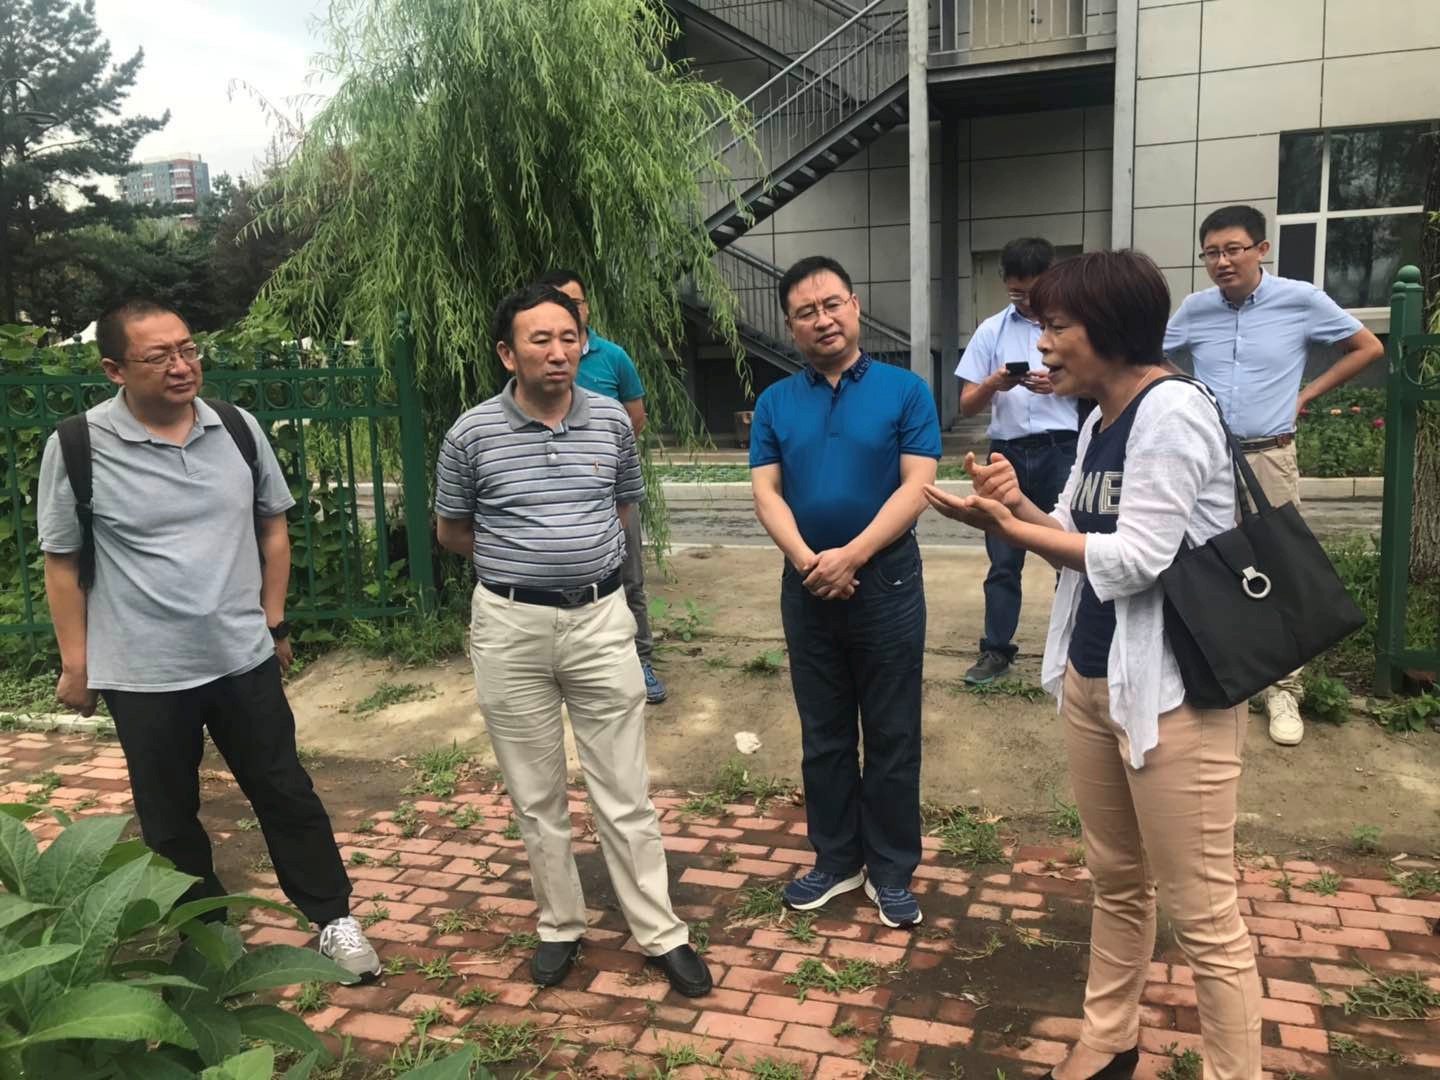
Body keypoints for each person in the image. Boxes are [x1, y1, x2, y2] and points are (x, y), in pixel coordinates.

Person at [925, 251, 1262, 1080]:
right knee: (1116, 879)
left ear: (1109, 329)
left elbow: (1140, 557)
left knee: (1203, 915)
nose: (1041, 346)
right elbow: (1075, 540)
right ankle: (1109, 1041)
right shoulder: (1098, 420)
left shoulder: (1171, 411)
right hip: (1094, 676)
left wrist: (1009, 530)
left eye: (1056, 326)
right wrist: (1015, 505)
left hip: (1174, 695)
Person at [37, 299, 382, 980]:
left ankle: (333, 918)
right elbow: (62, 562)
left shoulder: (236, 428)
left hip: (239, 657)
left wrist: (273, 621)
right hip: (142, 671)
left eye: (188, 349)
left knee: (284, 790)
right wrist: (77, 665)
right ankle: (207, 935)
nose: (181, 365)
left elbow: (272, 527)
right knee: (168, 816)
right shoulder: (77, 446)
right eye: (158, 356)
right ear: (114, 369)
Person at [433, 283, 710, 996]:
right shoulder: (470, 434)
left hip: (600, 622)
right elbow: (453, 531)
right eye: (541, 340)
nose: (559, 352)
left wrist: (579, 563)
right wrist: (524, 564)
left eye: (569, 338)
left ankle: (660, 931)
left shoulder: (611, 421)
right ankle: (560, 924)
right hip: (510, 628)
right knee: (536, 794)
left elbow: (622, 510)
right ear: (508, 353)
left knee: (624, 789)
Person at [749, 255, 941, 929]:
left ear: (854, 307)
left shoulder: (906, 391)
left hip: (886, 580)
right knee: (824, 731)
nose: (822, 319)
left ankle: (890, 868)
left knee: (892, 730)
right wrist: (810, 562)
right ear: (790, 326)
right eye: (806, 312)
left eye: (832, 304)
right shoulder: (775, 402)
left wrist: (853, 555)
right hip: (806, 585)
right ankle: (836, 860)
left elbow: (918, 485)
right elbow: (766, 493)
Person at [1164, 204, 1384, 747]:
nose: (1222, 262)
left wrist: (1306, 394)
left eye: (1233, 249)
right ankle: (1226, 667)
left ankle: (1284, 688)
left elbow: (1368, 347)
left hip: (1270, 455)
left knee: (1277, 561)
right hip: (1209, 458)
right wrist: (1187, 391)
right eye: (1211, 253)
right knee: (1208, 562)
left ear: (1261, 250)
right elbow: (1151, 357)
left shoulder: (1300, 300)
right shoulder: (1194, 309)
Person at [536, 269, 666, 704]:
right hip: (553, 491)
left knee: (629, 575)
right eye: (557, 300)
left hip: (610, 488)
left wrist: (602, 460)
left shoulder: (613, 357)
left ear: (587, 308)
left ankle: (640, 658)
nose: (568, 309)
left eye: (575, 301)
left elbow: (636, 417)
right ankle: (571, 663)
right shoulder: (535, 360)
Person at [955, 237, 1078, 685]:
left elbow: (1103, 383)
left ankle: (1078, 649)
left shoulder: (1074, 326)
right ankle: (996, 650)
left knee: (1070, 554)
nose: (1025, 299)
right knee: (1004, 559)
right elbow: (966, 404)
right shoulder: (991, 330)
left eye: (1033, 289)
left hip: (1063, 450)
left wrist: (1061, 385)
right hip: (1006, 453)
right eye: (1016, 291)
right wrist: (993, 383)